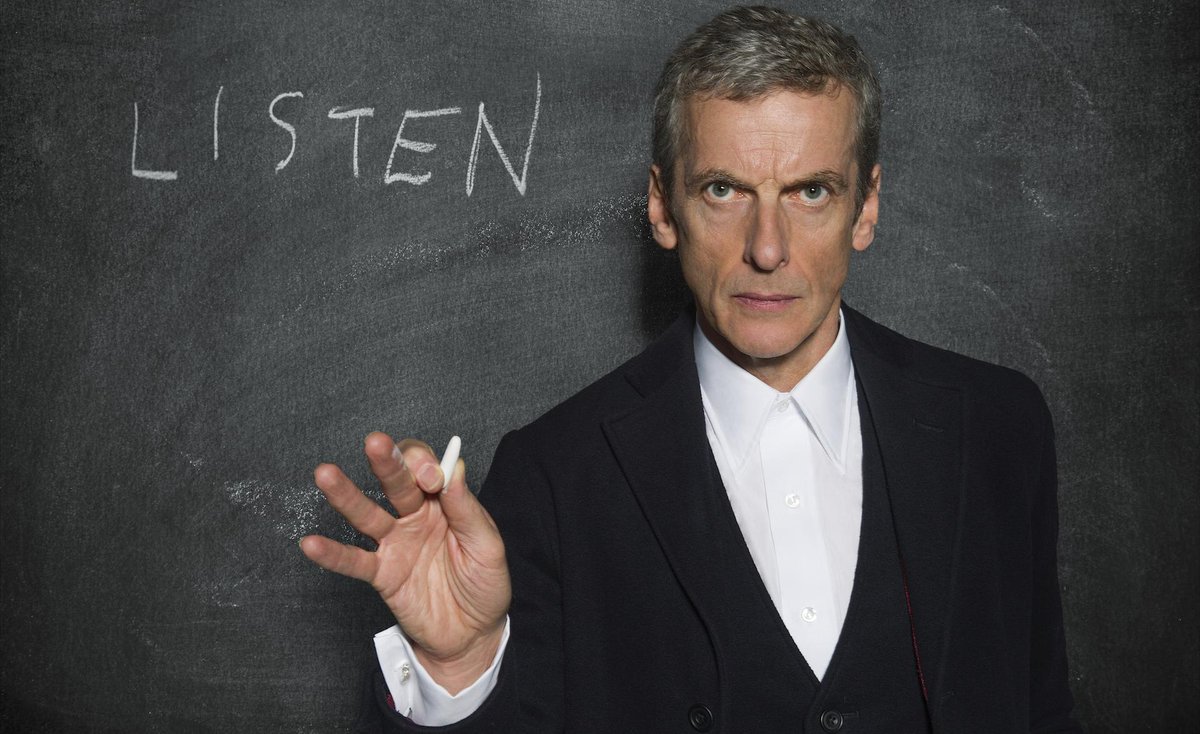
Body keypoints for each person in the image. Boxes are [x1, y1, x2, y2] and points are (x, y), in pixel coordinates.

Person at [300, 6, 1081, 732]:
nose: (767, 248)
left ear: (866, 206)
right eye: (723, 190)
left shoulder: (998, 428)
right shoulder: (554, 475)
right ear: (663, 207)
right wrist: (457, 665)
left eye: (811, 191)